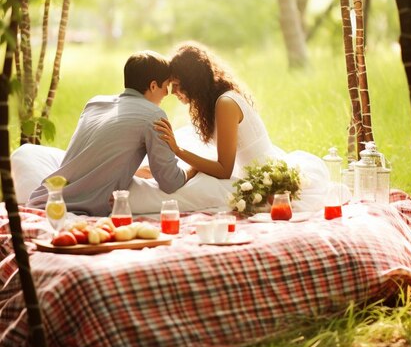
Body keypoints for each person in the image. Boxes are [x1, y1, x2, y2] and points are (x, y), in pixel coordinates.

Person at [154, 42, 329, 212]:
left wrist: (177, 150)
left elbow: (223, 170)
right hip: (246, 175)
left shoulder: (225, 103)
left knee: (191, 191)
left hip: (266, 182)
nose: (172, 91)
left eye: (176, 84)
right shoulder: (213, 104)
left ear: (192, 80)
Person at [27, 51, 195, 216]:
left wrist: (130, 170)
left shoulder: (95, 103)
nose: (167, 93)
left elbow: (97, 154)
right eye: (166, 86)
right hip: (72, 211)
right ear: (153, 86)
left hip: (43, 199)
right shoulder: (154, 115)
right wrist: (194, 168)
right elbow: (170, 181)